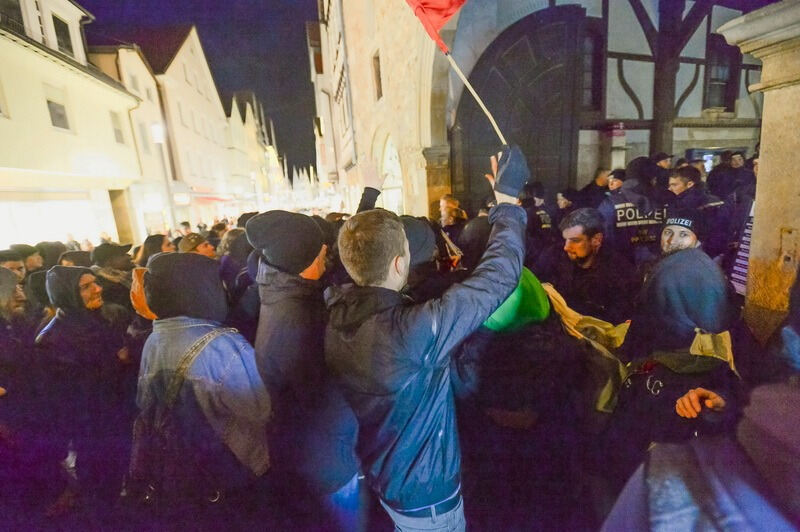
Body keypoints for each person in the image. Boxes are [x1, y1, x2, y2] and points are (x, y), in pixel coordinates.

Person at [325, 145, 529, 531]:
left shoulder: (335, 307)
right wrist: (506, 205)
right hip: (427, 496)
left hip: (381, 473)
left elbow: (352, 250)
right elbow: (498, 277)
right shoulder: (411, 332)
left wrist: (369, 196)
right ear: (401, 263)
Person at [131, 252, 271, 526]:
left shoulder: (155, 339)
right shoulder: (221, 344)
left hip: (181, 470)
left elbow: (144, 401)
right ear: (197, 288)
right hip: (231, 470)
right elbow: (262, 410)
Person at [245, 211, 361, 530]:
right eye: (322, 248)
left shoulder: (281, 294)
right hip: (327, 465)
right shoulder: (301, 319)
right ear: (308, 257)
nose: (328, 252)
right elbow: (331, 398)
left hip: (302, 454)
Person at [36, 266, 132, 517]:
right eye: (86, 286)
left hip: (114, 420)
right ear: (67, 294)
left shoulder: (97, 319)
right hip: (91, 431)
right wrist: (118, 361)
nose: (98, 289)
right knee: (101, 490)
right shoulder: (52, 338)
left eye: (96, 283)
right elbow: (73, 392)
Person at [537, 207, 638, 324]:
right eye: (566, 240)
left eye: (575, 240)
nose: (566, 247)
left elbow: (623, 314)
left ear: (596, 240)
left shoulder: (619, 271)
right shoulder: (553, 257)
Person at [597, 163, 663, 267]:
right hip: (656, 266)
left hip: (620, 267)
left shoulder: (610, 203)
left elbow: (602, 235)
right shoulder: (664, 201)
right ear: (652, 179)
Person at [666, 166, 726, 258]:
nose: (670, 189)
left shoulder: (682, 205)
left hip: (692, 253)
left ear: (690, 184)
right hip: (716, 252)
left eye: (674, 185)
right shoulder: (715, 199)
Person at [90, 242, 135, 312]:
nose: (129, 256)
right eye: (122, 255)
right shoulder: (107, 286)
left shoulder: (125, 277)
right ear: (108, 262)